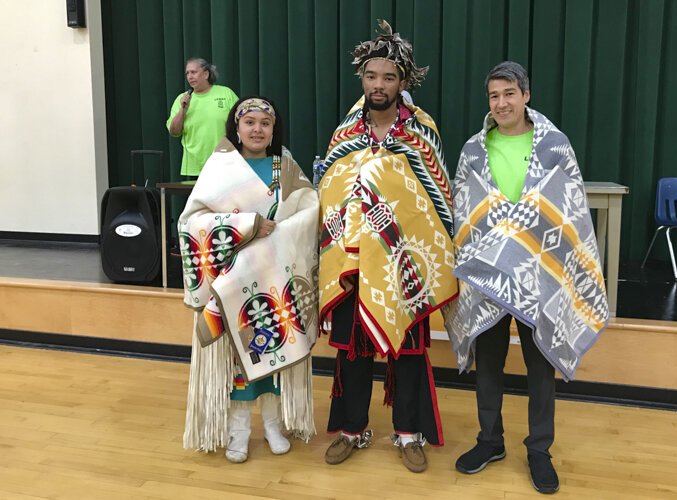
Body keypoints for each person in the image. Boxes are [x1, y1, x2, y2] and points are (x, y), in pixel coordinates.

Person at [445, 61, 609, 494]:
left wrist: (521, 234)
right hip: (488, 275)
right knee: (490, 362)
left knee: (542, 363)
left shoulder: (554, 145)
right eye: (494, 96)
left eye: (509, 94)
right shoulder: (473, 151)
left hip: (541, 275)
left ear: (526, 95)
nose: (501, 103)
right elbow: (466, 211)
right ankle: (490, 441)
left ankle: (539, 449)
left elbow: (568, 208)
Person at [317, 20, 458, 473]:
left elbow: (436, 199)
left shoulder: (421, 132)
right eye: (372, 76)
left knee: (410, 351)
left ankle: (408, 433)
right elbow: (331, 193)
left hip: (405, 261)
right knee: (353, 350)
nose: (379, 85)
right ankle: (352, 429)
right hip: (353, 259)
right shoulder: (345, 134)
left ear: (403, 82)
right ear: (362, 78)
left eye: (389, 77)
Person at [179, 96, 319, 463]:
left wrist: (277, 233)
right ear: (236, 127)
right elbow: (190, 222)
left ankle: (273, 424)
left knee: (274, 349)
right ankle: (237, 430)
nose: (257, 129)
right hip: (230, 279)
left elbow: (310, 211)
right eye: (250, 122)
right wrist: (246, 225)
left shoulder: (284, 167)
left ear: (274, 130)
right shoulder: (220, 167)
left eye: (265, 123)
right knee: (238, 361)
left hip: (272, 277)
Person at [167, 58, 238, 177]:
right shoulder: (182, 99)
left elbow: (242, 123)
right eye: (187, 73)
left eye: (193, 72)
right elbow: (174, 132)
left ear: (206, 74)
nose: (190, 76)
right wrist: (183, 110)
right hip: (195, 167)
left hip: (225, 163)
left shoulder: (226, 93)